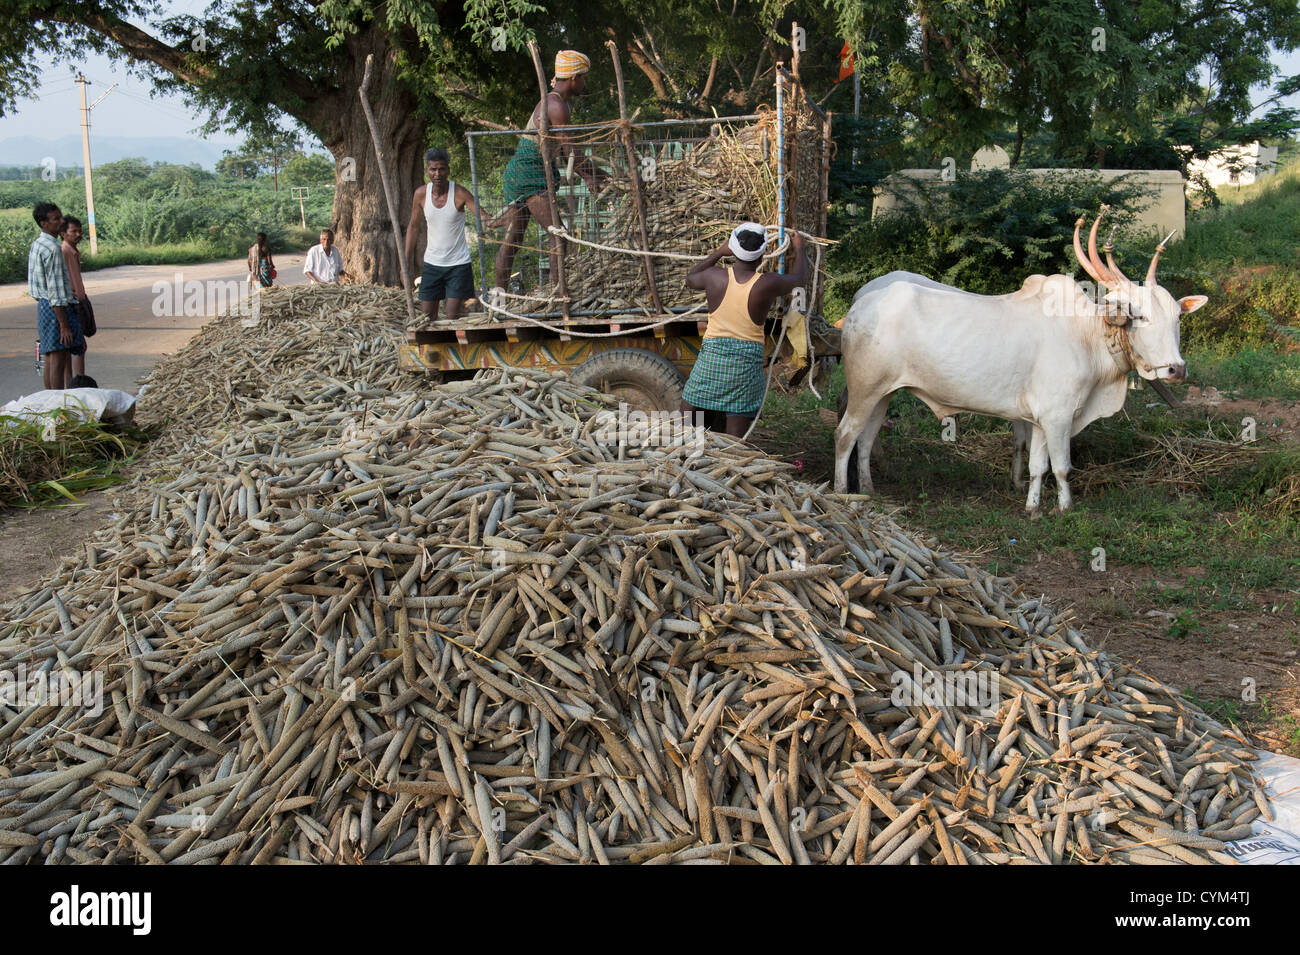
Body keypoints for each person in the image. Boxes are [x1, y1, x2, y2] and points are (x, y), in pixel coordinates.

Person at [680, 223, 808, 438]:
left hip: (712, 357)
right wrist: (800, 249)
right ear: (762, 255)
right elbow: (799, 280)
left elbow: (691, 278)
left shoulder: (714, 276)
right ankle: (735, 465)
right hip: (745, 363)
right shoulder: (767, 283)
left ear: (733, 249)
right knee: (735, 437)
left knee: (687, 416)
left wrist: (719, 252)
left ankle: (684, 453)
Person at [493, 49, 606, 291]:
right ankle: (557, 295)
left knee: (513, 240)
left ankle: (499, 298)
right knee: (558, 236)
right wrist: (595, 176)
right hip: (530, 177)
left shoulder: (558, 102)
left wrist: (593, 174)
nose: (584, 83)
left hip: (519, 173)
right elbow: (571, 153)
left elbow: (570, 154)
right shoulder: (556, 106)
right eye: (583, 78)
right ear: (574, 77)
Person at [404, 148, 483, 321]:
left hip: (458, 264)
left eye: (441, 169)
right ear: (427, 171)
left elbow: (482, 216)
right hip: (432, 263)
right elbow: (413, 227)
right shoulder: (421, 194)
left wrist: (500, 220)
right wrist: (406, 259)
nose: (437, 173)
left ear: (448, 170)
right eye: (433, 169)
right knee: (426, 317)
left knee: (452, 315)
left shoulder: (460, 193)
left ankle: (452, 346)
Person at [27, 202, 84, 391]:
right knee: (58, 357)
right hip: (56, 309)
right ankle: (57, 403)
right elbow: (56, 291)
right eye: (56, 219)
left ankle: (49, 398)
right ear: (44, 223)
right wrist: (64, 324)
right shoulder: (53, 249)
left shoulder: (38, 243)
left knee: (50, 355)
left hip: (44, 306)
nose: (61, 221)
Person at [60, 215, 93, 385]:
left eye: (79, 230)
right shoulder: (64, 251)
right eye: (74, 231)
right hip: (70, 304)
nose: (78, 234)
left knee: (73, 347)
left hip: (78, 302)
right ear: (64, 233)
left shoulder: (73, 251)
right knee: (77, 347)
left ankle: (72, 383)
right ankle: (77, 384)